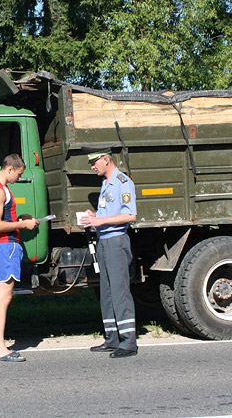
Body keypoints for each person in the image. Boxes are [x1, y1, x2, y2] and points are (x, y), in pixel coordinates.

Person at [79, 147, 138, 358]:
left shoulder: (122, 182)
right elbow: (107, 214)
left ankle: (129, 341)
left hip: (116, 241)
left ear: (106, 159)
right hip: (104, 240)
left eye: (94, 162)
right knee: (107, 291)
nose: (92, 167)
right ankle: (112, 337)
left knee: (120, 290)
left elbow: (130, 215)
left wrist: (99, 220)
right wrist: (92, 217)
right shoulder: (105, 183)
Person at [0, 153, 40, 362]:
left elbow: (3, 220)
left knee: (1, 298)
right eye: (18, 174)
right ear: (9, 169)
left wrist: (20, 219)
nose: (19, 178)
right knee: (4, 298)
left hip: (3, 247)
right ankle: (0, 349)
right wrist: (22, 225)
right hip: (5, 247)